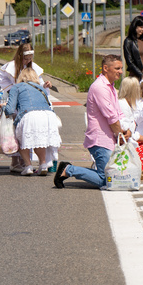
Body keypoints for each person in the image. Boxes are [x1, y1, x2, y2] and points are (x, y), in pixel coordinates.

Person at [55, 55, 129, 189]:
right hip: (101, 140)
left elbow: (119, 113)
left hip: (109, 138)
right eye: (117, 68)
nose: (121, 71)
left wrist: (126, 130)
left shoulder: (110, 87)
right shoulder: (100, 87)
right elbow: (111, 117)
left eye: (121, 68)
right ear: (106, 68)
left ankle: (69, 169)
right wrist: (120, 135)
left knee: (112, 177)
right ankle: (69, 169)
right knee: (107, 180)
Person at [2, 68, 62, 176]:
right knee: (40, 139)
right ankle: (43, 164)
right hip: (47, 115)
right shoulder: (41, 88)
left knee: (19, 139)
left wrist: (3, 108)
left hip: (29, 115)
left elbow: (10, 110)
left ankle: (28, 166)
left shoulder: (16, 87)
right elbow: (48, 103)